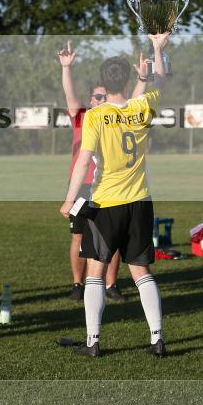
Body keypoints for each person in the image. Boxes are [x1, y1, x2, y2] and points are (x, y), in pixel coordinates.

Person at [59, 33, 170, 358]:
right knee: (141, 272)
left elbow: (83, 160)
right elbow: (160, 80)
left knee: (95, 272)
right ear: (129, 79)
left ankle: (93, 342)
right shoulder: (141, 105)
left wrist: (68, 199)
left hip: (106, 203)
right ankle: (157, 338)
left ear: (103, 86)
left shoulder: (94, 116)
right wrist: (158, 49)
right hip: (140, 201)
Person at [58, 41, 149, 303]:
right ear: (90, 100)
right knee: (78, 235)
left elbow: (133, 98)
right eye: (96, 97)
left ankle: (110, 284)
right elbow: (69, 95)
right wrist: (66, 68)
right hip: (82, 185)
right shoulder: (85, 116)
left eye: (103, 95)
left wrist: (142, 78)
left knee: (112, 238)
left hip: (108, 187)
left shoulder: (117, 116)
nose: (100, 99)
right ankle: (78, 283)